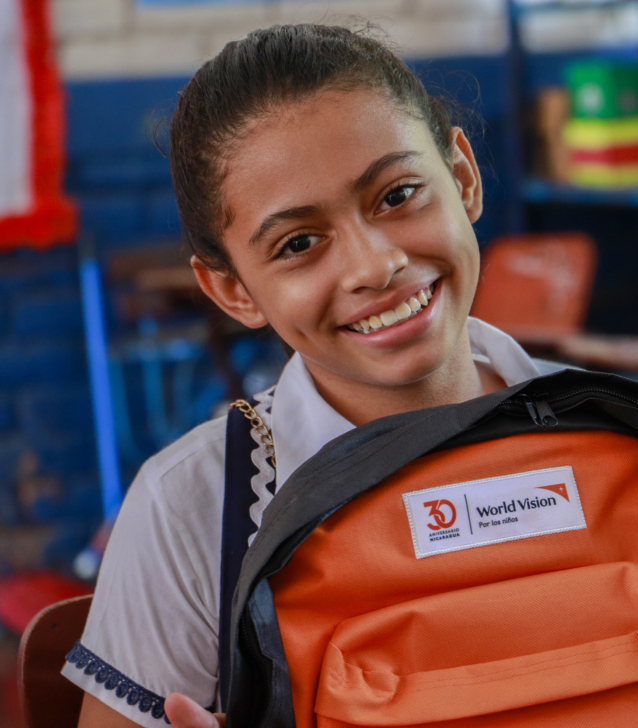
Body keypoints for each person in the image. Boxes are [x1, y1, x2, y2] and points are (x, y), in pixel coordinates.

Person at [63, 23, 562, 728]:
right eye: (298, 244)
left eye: (397, 195)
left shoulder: (626, 437)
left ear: (464, 179)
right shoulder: (198, 507)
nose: (373, 266)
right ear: (233, 291)